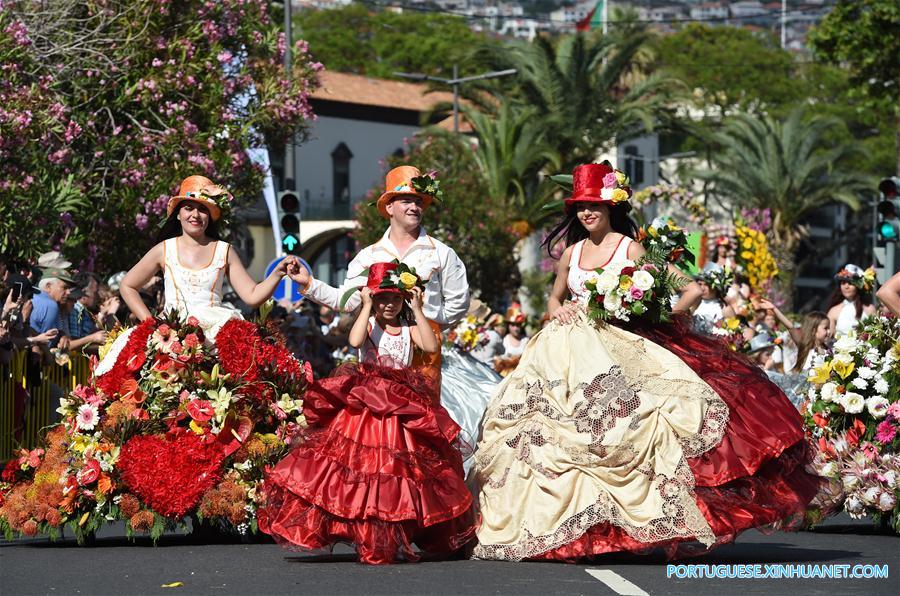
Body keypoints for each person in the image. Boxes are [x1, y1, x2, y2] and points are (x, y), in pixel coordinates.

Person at [472, 162, 821, 561]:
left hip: (618, 347)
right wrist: (559, 310)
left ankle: (628, 527)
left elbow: (689, 289)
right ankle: (561, 529)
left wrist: (658, 316)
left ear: (610, 208)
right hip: (562, 351)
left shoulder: (629, 247)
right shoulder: (571, 252)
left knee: (627, 430)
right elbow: (554, 298)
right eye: (581, 207)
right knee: (541, 432)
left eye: (595, 205)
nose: (587, 213)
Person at [259, 262, 475, 564]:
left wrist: (418, 308)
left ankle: (394, 528)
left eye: (395, 299)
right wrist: (365, 305)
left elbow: (428, 344)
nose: (389, 305)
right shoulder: (370, 323)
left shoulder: (411, 326)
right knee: (361, 468)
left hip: (401, 404)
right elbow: (355, 341)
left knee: (397, 472)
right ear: (374, 299)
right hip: (367, 403)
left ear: (403, 300)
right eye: (383, 298)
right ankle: (366, 531)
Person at [97, 175, 299, 375]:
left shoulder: (224, 250)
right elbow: (127, 286)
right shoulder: (164, 249)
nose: (195, 214)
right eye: (188, 208)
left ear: (210, 216)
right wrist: (151, 324)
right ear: (178, 214)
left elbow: (252, 295)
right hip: (171, 334)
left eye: (203, 209)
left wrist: (278, 273)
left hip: (218, 333)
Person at [285, 166, 469, 385]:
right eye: (406, 201)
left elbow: (458, 303)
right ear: (389, 207)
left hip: (425, 355)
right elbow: (345, 300)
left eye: (419, 202)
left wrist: (430, 327)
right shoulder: (368, 256)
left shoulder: (441, 253)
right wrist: (309, 283)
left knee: (423, 417)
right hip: (378, 352)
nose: (414, 207)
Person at [826, 264, 877, 337]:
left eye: (850, 283)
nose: (846, 286)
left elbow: (876, 336)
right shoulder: (833, 311)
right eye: (843, 283)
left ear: (859, 286)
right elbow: (828, 339)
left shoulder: (870, 309)